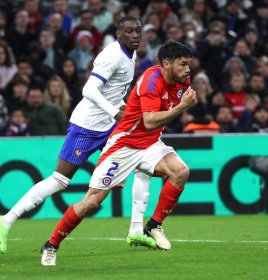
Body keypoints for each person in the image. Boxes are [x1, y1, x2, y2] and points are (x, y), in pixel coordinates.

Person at [0, 15, 155, 255]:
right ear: (118, 33)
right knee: (59, 181)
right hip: (87, 126)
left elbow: (115, 90)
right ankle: (6, 221)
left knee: (144, 164)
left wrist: (122, 107)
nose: (135, 35)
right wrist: (114, 111)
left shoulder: (132, 54)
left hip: (111, 125)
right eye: (129, 31)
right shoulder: (111, 55)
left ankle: (136, 229)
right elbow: (89, 89)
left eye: (138, 31)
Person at [40, 40, 196, 266]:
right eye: (183, 64)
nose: (187, 69)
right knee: (92, 202)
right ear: (166, 64)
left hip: (150, 144)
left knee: (181, 172)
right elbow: (150, 121)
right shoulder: (151, 81)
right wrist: (182, 107)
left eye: (188, 64)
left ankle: (153, 225)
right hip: (124, 146)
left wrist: (184, 103)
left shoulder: (183, 80)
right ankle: (51, 244)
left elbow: (174, 109)